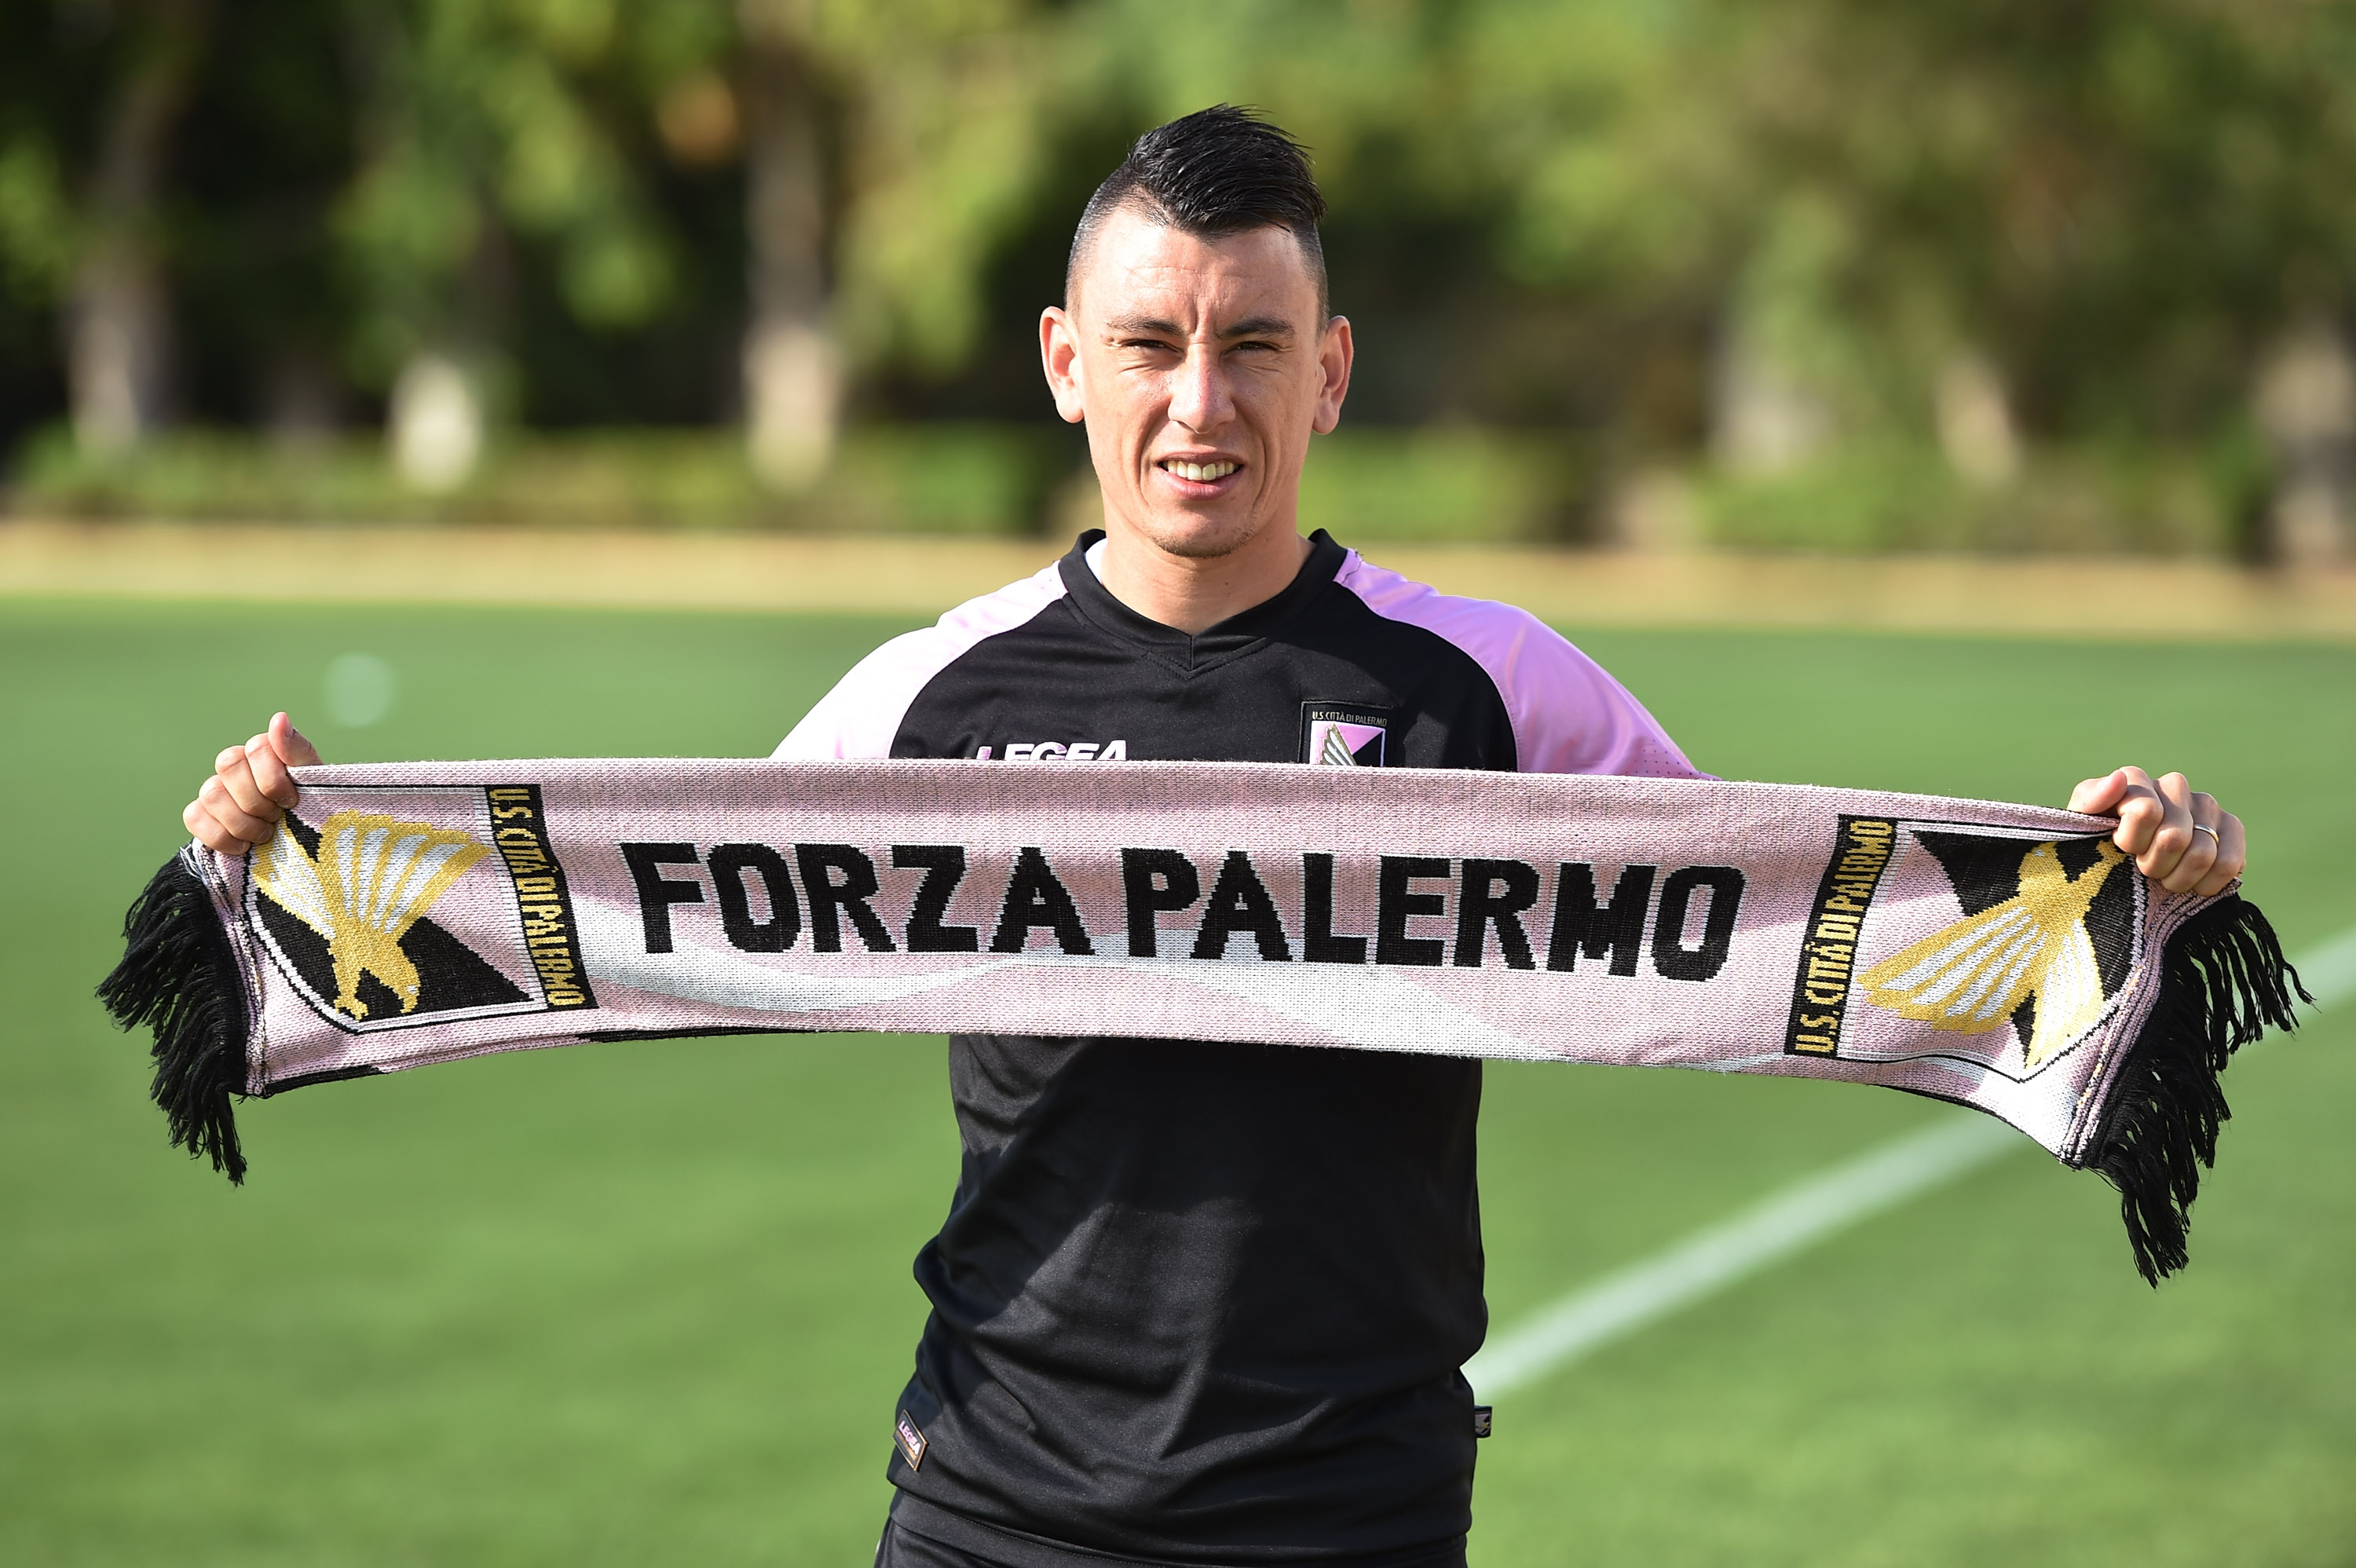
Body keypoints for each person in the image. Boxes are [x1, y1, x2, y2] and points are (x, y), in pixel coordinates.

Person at [186, 108, 2248, 1568]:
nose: (1203, 401)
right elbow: (640, 904)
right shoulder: (936, 698)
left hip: (1346, 1508)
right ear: (1069, 368)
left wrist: (2116, 908)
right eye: (1155, 345)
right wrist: (297, 865)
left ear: (1328, 371)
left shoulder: (1490, 693)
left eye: (1254, 343)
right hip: (990, 1496)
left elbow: (1779, 925)